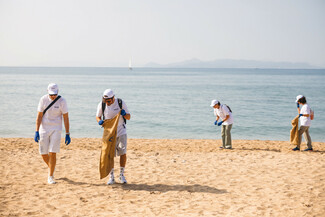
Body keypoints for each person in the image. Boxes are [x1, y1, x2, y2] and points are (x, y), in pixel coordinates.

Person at [34, 83, 71, 184]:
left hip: (56, 128)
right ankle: (52, 168)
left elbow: (66, 118)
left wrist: (67, 133)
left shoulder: (62, 101)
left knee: (52, 152)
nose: (53, 96)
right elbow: (39, 116)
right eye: (51, 94)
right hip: (44, 128)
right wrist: (36, 131)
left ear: (58, 92)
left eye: (55, 94)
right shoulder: (43, 100)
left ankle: (50, 176)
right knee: (43, 153)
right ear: (47, 92)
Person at [96, 89, 131, 185]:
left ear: (113, 98)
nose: (107, 103)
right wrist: (99, 121)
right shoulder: (101, 105)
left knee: (122, 153)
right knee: (110, 154)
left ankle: (121, 175)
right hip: (109, 133)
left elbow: (129, 117)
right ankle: (111, 176)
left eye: (108, 101)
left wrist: (124, 114)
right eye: (105, 101)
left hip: (121, 131)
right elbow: (98, 116)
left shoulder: (120, 103)